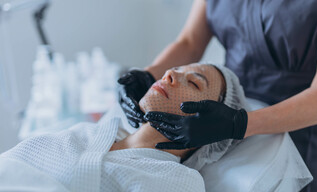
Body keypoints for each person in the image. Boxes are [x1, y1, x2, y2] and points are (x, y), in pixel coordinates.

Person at [118, 0, 317, 191]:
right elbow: (190, 42)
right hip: (218, 125)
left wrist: (238, 124)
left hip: (301, 132)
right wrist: (146, 76)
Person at [0, 63, 249, 192]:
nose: (170, 73)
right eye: (178, 68)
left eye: (193, 83)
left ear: (209, 126)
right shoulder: (88, 131)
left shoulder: (180, 182)